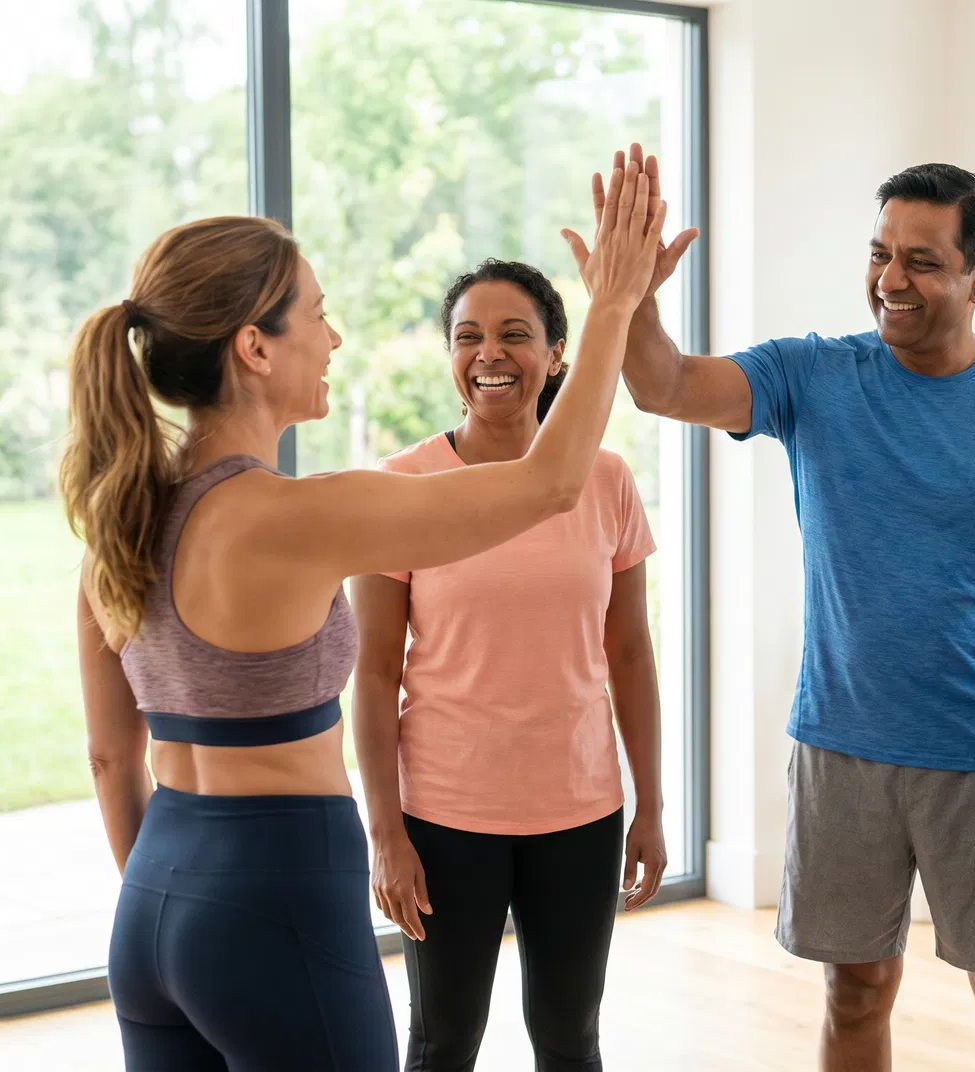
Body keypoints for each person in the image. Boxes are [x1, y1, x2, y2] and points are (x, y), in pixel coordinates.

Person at [62, 157, 665, 1071]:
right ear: (255, 348)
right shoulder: (297, 517)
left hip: (152, 904)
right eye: (316, 313)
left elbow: (112, 758)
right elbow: (550, 483)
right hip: (275, 899)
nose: (334, 338)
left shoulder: (122, 517)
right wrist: (613, 305)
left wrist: (182, 905)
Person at [572, 146, 975, 1072]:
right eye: (879, 254)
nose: (890, 280)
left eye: (922, 262)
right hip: (841, 746)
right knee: (854, 991)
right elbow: (662, 386)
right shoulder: (811, 377)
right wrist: (633, 297)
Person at [351, 258, 665, 1072]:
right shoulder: (402, 486)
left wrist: (652, 804)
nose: (490, 353)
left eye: (514, 334)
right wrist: (386, 832)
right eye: (469, 336)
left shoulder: (605, 478)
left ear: (558, 353)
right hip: (445, 817)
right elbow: (376, 671)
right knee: (442, 1041)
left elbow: (629, 652)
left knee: (570, 1040)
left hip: (581, 812)